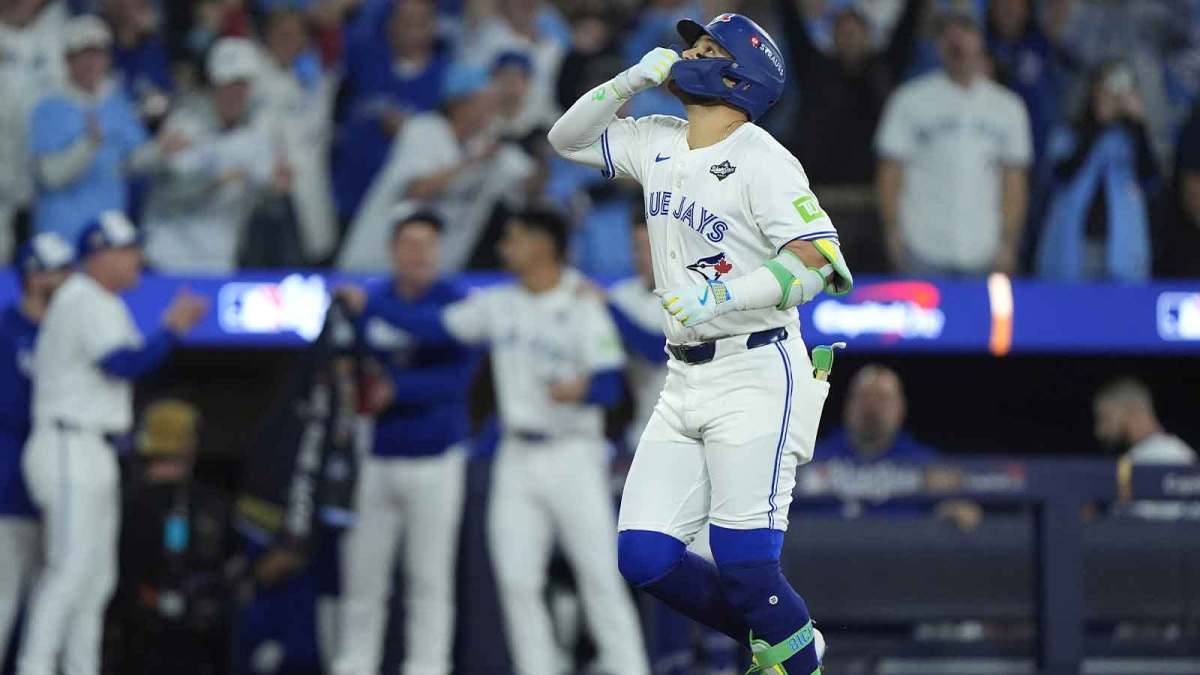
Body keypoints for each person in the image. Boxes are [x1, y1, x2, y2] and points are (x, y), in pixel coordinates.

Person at [548, 12, 856, 671]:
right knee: (644, 556)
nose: (688, 53)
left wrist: (725, 294)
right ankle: (793, 644)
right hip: (682, 375)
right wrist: (630, 78)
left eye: (707, 48)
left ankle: (799, 658)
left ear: (738, 76)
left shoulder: (764, 159)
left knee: (746, 565)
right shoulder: (659, 139)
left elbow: (822, 262)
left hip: (755, 368)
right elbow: (566, 138)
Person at [336, 210, 649, 675]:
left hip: (574, 454)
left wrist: (582, 390)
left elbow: (609, 386)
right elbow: (434, 328)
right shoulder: (497, 303)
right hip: (516, 455)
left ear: (543, 244)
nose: (504, 248)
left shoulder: (583, 299)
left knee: (599, 575)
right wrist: (370, 306)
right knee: (516, 580)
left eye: (514, 239)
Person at [16, 210, 208, 675]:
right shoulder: (82, 297)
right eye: (127, 251)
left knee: (96, 580)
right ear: (98, 256)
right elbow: (125, 364)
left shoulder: (106, 303)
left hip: (94, 448)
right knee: (68, 570)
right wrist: (173, 329)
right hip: (68, 442)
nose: (137, 258)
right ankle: (34, 667)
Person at [333, 213, 477, 675]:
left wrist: (397, 389)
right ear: (393, 249)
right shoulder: (371, 300)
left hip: (437, 458)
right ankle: (355, 664)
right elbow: (343, 368)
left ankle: (427, 666)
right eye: (409, 244)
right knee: (362, 578)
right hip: (375, 456)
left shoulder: (457, 303)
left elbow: (457, 377)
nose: (419, 255)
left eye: (427, 245)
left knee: (429, 578)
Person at [608, 217, 738, 675]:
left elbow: (651, 343)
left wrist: (603, 309)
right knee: (658, 563)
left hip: (705, 443)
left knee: (708, 561)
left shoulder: (704, 292)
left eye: (652, 245)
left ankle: (722, 663)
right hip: (651, 446)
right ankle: (672, 665)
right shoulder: (622, 295)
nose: (645, 255)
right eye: (638, 246)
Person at [875, 11, 1032, 276]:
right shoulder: (909, 101)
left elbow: (1014, 180)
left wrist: (1009, 243)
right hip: (922, 246)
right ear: (938, 46)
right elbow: (890, 172)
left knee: (980, 319)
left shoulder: (1008, 108)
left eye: (967, 34)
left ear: (981, 42)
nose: (958, 43)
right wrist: (892, 232)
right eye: (950, 36)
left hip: (983, 247)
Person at [338, 63, 533, 272]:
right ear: (460, 103)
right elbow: (416, 189)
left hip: (436, 274)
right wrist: (472, 163)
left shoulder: (487, 146)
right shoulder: (425, 130)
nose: (492, 110)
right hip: (375, 265)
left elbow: (528, 187)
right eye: (485, 101)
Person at [142, 37, 289, 272]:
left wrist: (275, 190)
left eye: (242, 84)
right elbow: (168, 195)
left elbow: (267, 201)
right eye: (228, 84)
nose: (236, 93)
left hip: (220, 257)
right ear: (213, 84)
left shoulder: (260, 135)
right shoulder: (184, 125)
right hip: (168, 254)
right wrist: (214, 181)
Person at [28, 15, 181, 243]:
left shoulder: (116, 103)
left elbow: (132, 160)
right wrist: (87, 145)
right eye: (84, 54)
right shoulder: (48, 107)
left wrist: (160, 149)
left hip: (108, 235)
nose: (92, 62)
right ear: (67, 59)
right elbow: (50, 176)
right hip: (61, 234)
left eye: (99, 54)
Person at [0, 233, 74, 668]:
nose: (64, 279)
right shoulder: (6, 329)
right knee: (5, 595)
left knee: (56, 598)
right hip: (8, 486)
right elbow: (10, 408)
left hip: (59, 483)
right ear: (33, 276)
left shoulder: (65, 330)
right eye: (56, 271)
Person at [771, 0, 926, 185]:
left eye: (856, 32)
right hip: (819, 183)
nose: (851, 38)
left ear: (868, 36)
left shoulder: (885, 70)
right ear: (833, 37)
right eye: (844, 33)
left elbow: (908, 25)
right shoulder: (813, 70)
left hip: (872, 185)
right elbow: (792, 24)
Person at [810, 364, 981, 528]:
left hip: (904, 555)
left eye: (883, 398)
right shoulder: (812, 459)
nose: (871, 407)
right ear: (847, 405)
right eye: (863, 397)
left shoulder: (926, 465)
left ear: (901, 408)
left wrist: (956, 511)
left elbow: (961, 511)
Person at [1035, 61, 1158, 281]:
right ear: (1093, 91)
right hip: (1073, 247)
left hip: (1122, 248)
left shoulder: (1133, 138)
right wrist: (1098, 123)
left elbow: (1150, 179)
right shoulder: (1070, 132)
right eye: (1107, 89)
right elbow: (1061, 175)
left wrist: (1139, 124)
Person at [332, 0, 450, 221]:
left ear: (433, 27)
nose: (412, 30)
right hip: (348, 197)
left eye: (420, 22)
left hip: (402, 209)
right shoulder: (365, 56)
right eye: (405, 21)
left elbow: (449, 146)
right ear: (389, 25)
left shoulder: (445, 77)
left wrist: (410, 130)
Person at [255, 8, 339, 264]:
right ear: (268, 36)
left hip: (304, 193)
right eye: (281, 34)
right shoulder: (252, 76)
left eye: (294, 35)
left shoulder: (312, 81)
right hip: (261, 193)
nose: (287, 41)